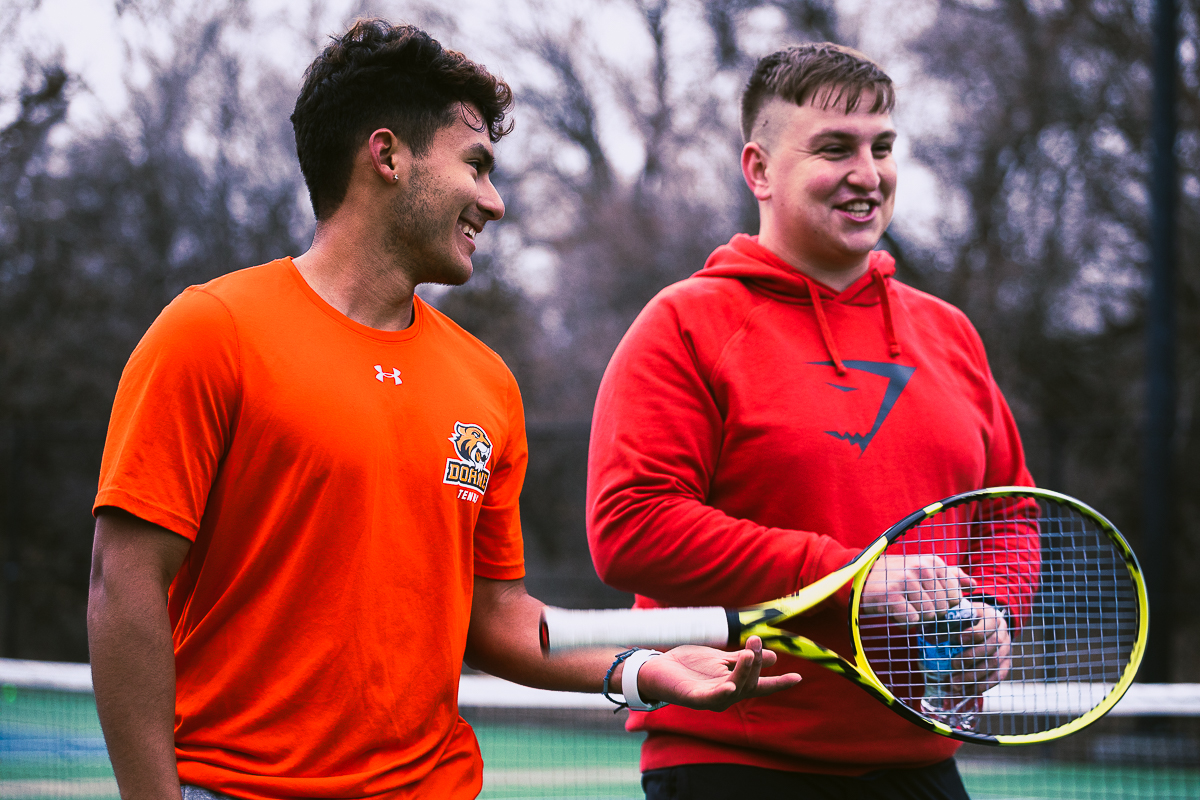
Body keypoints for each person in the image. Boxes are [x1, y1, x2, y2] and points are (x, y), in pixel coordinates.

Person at [85, 20, 801, 800]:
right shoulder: (209, 331)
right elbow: (122, 583)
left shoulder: (486, 382)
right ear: (387, 156)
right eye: (477, 166)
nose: (494, 204)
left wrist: (640, 670)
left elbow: (494, 618)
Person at [586, 43, 1035, 799]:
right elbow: (631, 527)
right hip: (735, 760)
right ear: (759, 170)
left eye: (882, 147)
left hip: (919, 759)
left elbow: (1011, 511)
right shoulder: (685, 322)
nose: (869, 174)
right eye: (835, 148)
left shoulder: (949, 332)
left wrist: (991, 610)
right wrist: (853, 576)